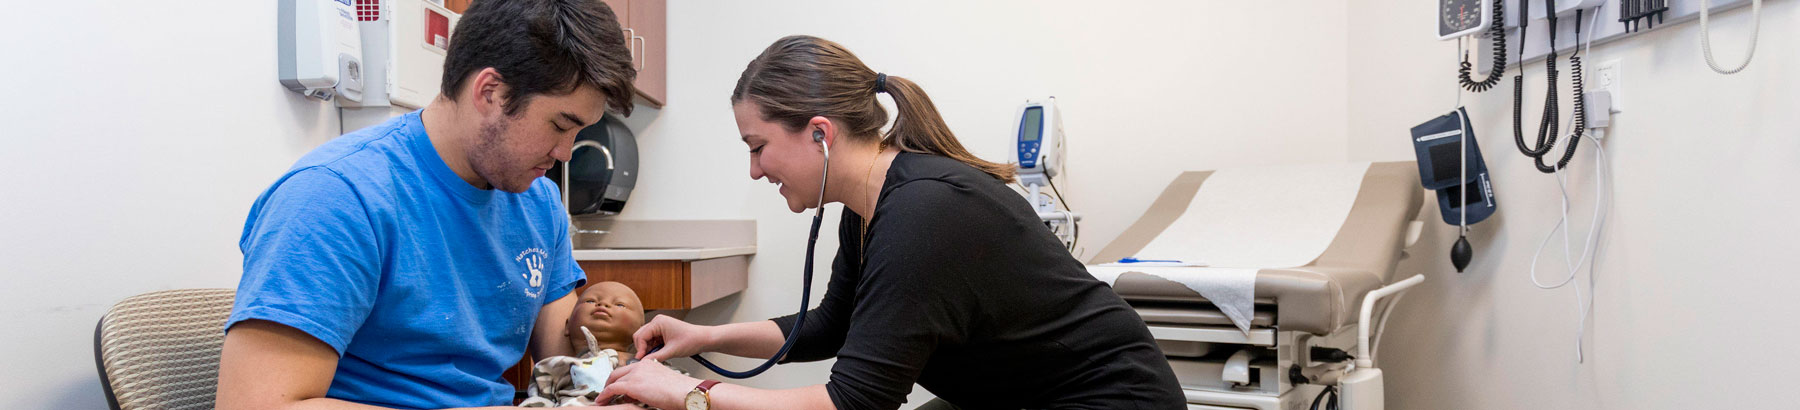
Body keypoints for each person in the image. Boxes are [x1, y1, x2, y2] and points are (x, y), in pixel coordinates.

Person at [597, 35, 1184, 410]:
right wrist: (703, 338)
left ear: (820, 134)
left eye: (758, 146)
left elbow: (854, 402)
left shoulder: (922, 215)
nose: (755, 170)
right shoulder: (872, 206)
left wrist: (690, 394)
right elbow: (831, 326)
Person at [214, 0, 637, 408]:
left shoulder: (537, 201)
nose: (566, 153)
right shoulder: (336, 198)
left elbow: (567, 352)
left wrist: (631, 368)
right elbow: (255, 403)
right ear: (490, 92)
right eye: (560, 125)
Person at [520, 282, 647, 408]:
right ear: (567, 326)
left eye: (620, 304)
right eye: (590, 301)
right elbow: (538, 401)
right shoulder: (554, 367)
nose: (603, 304)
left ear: (641, 332)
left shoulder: (647, 366)